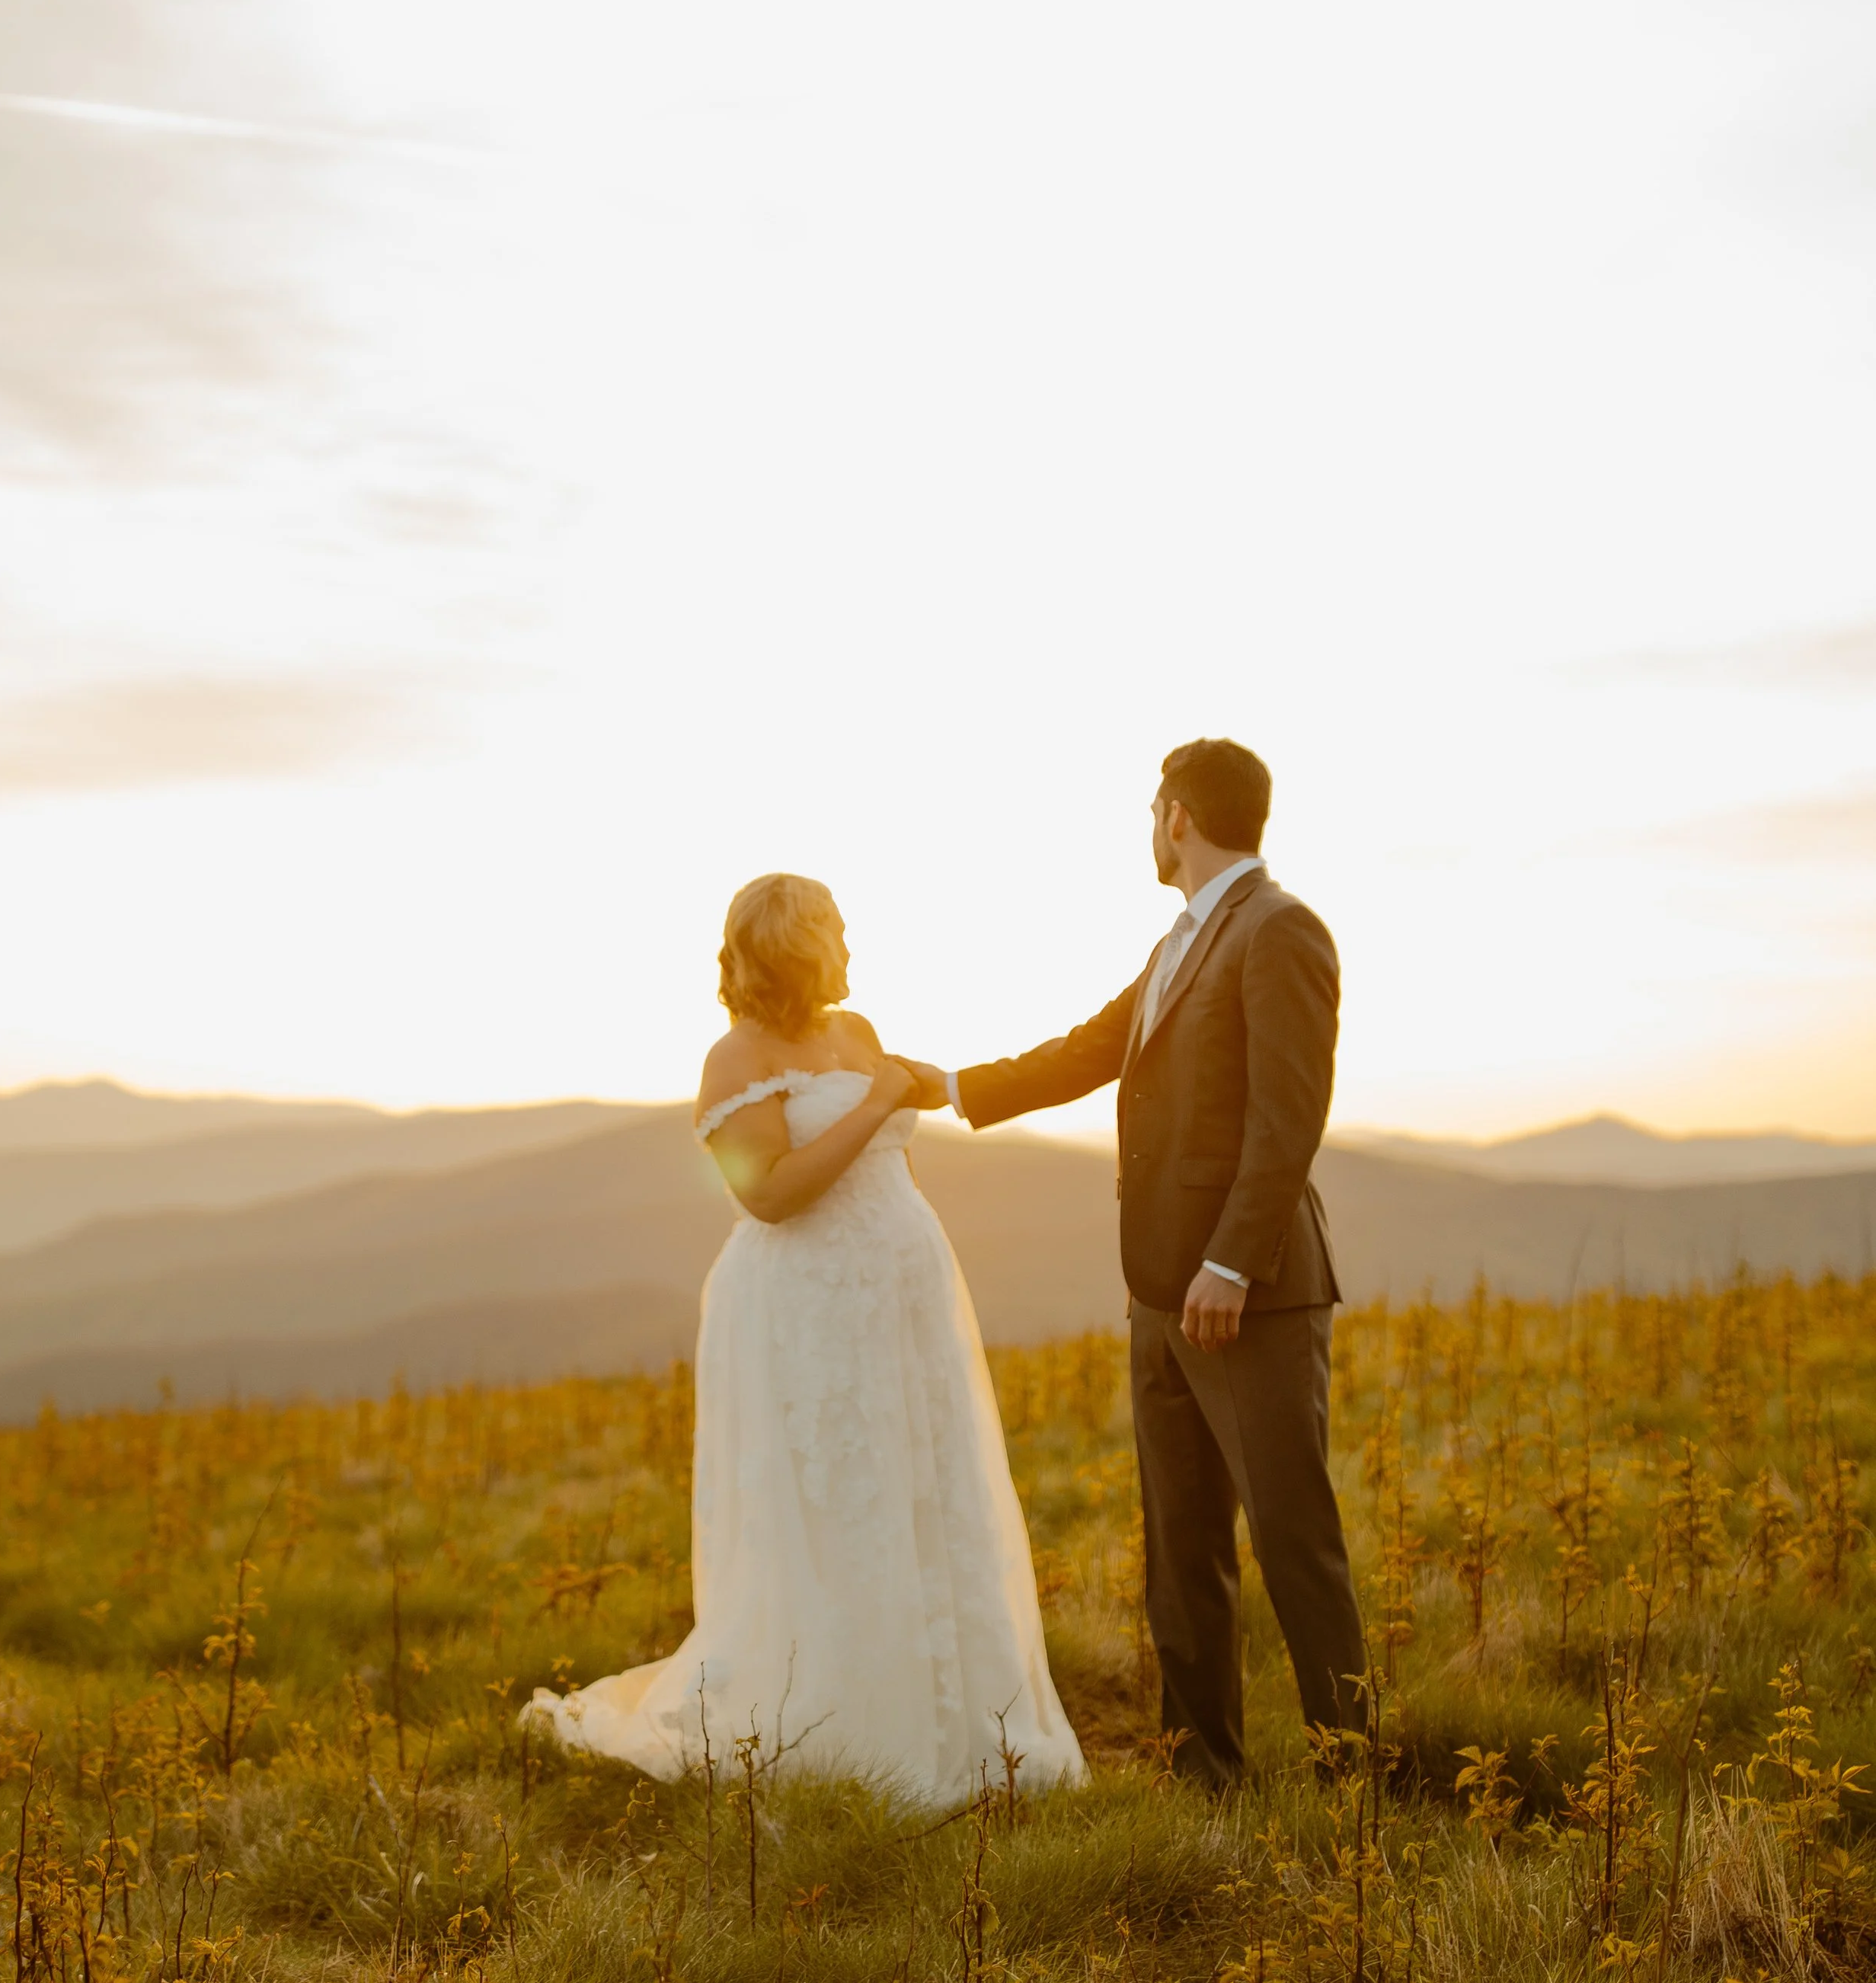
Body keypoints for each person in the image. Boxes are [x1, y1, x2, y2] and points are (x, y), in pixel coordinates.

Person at [526, 872, 1084, 1804]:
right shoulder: (732, 1060)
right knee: (839, 1502)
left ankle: (968, 1721)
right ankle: (856, 1727)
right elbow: (770, 1194)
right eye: (834, 928)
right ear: (795, 945)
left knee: (927, 1484)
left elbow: (917, 1100)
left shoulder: (854, 1033)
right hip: (808, 1310)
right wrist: (872, 1107)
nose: (849, 943)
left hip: (901, 1295)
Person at [908, 739, 1366, 1786]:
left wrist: (1235, 1265)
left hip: (1251, 1296)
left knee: (1294, 1543)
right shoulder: (1177, 945)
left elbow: (1288, 1117)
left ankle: (1354, 1776)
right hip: (1160, 1293)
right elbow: (1088, 1048)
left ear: (1178, 816)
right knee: (1181, 1551)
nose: (1147, 827)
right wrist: (946, 1085)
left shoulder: (1281, 930)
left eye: (1150, 808)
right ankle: (1204, 1776)